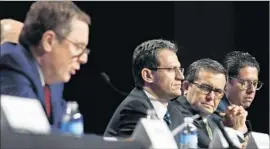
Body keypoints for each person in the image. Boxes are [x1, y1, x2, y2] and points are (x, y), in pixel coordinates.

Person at [0, 1, 91, 129]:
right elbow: (32, 136)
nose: (84, 58)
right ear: (49, 41)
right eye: (77, 46)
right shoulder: (12, 65)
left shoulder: (53, 82)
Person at [104, 39, 185, 137]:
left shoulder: (173, 111)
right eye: (171, 69)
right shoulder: (134, 108)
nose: (181, 76)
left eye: (179, 69)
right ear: (148, 75)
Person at [170, 58, 248, 148]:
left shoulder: (215, 121)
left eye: (218, 91)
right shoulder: (175, 113)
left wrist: (232, 128)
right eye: (205, 88)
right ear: (186, 87)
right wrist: (237, 132)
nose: (211, 97)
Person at [211, 51, 262, 143]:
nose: (252, 90)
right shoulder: (215, 114)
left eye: (255, 83)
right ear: (225, 82)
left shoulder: (238, 115)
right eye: (245, 83)